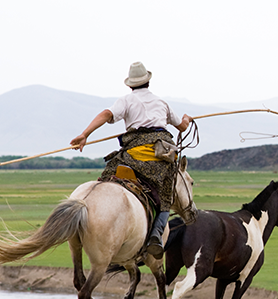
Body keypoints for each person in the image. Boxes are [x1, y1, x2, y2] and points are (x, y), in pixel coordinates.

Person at [71, 62, 192, 258]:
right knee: (165, 196)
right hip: (160, 159)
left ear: (130, 85)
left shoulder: (126, 100)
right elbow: (182, 126)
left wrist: (85, 134)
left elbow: (106, 114)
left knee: (109, 176)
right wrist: (187, 119)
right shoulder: (162, 103)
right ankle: (155, 235)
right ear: (148, 82)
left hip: (133, 156)